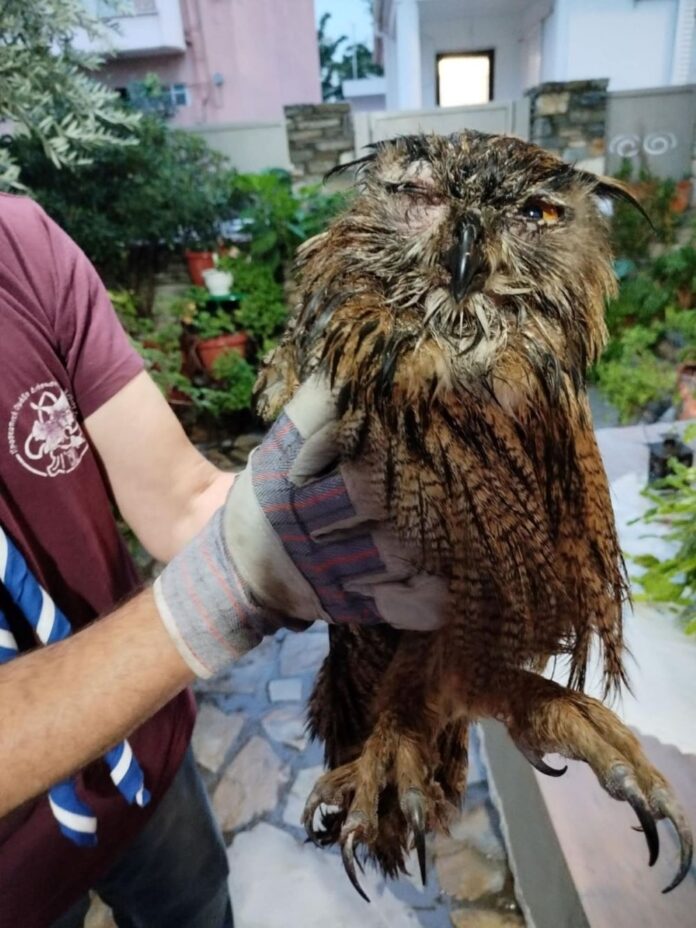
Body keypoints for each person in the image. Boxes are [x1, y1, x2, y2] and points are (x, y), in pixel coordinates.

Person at [0, 194, 445, 928]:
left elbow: (181, 498)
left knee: (199, 909)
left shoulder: (18, 249)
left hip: (146, 757)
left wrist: (320, 504)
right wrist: (225, 588)